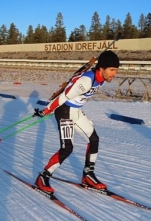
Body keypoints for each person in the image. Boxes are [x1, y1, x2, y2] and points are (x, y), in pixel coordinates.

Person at [33, 50, 120, 193]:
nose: (114, 74)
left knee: (94, 140)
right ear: (102, 68)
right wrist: (46, 111)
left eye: (116, 70)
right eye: (112, 70)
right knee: (67, 148)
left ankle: (88, 176)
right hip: (64, 111)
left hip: (76, 111)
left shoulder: (102, 78)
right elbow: (63, 98)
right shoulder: (86, 81)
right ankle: (43, 177)